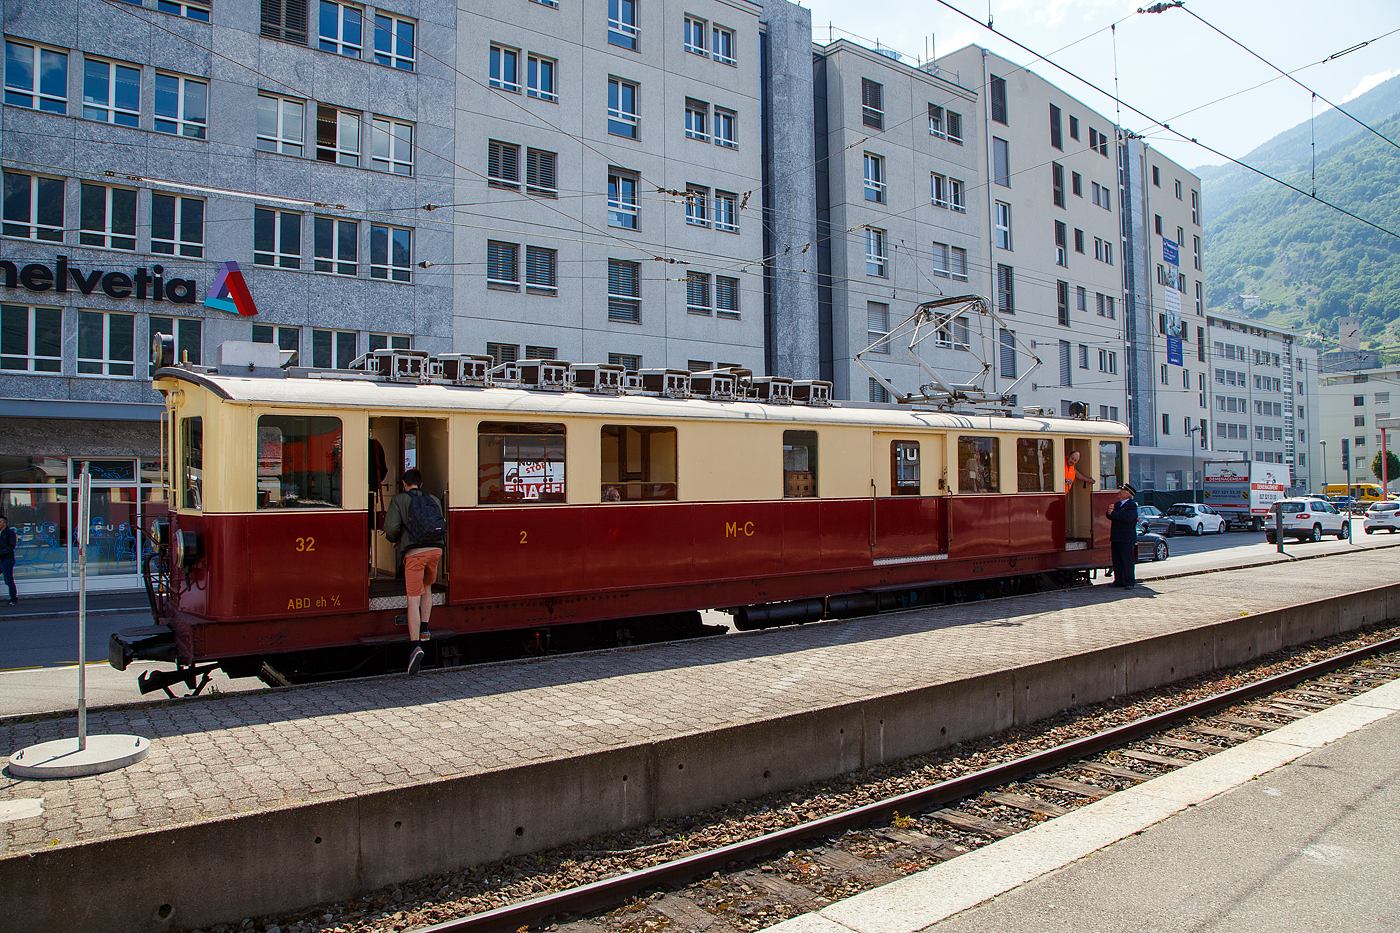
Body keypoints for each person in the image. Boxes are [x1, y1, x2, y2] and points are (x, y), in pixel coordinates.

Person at [383, 468, 444, 674]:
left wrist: (395, 541)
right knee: (427, 587)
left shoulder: (399, 500)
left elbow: (391, 528)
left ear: (403, 483)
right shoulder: (434, 499)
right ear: (421, 483)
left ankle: (415, 646)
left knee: (413, 599)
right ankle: (425, 628)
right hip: (435, 550)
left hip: (414, 554)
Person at [1106, 483, 1139, 588]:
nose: (1119, 493)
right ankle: (1119, 580)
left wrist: (1113, 513)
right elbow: (1112, 516)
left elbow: (1127, 518)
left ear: (1128, 495)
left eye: (1122, 491)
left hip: (1126, 538)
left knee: (1127, 560)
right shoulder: (1117, 504)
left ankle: (1129, 582)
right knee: (1117, 560)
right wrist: (1109, 513)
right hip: (1116, 536)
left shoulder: (1132, 505)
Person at [0, 514, 17, 606]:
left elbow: (11, 546)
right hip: (1, 560)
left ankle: (13, 599)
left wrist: (1, 552)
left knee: (8, 580)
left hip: (7, 560)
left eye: (0, 522)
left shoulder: (9, 533)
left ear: (4, 523)